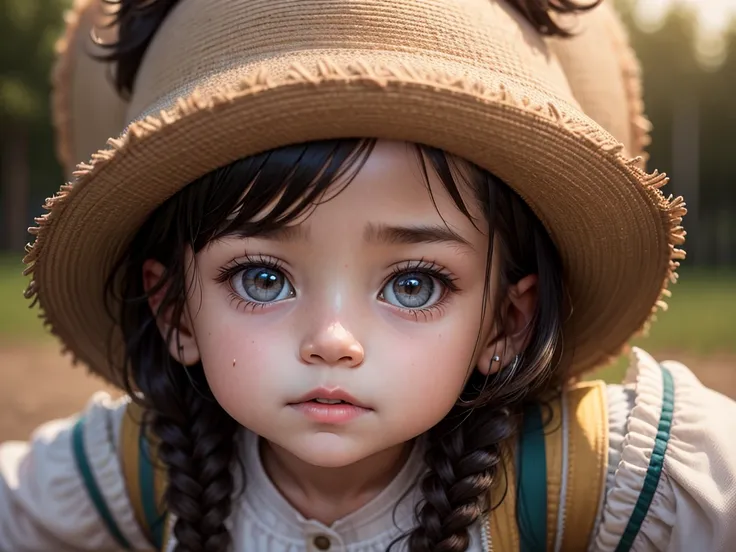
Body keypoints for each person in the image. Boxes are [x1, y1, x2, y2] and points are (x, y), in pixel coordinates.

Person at [1, 0, 734, 551]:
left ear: (507, 322)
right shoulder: (134, 467)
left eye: (413, 284)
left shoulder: (599, 474)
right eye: (261, 278)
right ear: (175, 313)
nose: (332, 340)